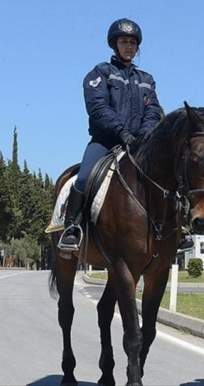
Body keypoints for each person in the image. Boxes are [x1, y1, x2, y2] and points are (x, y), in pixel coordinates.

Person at [57, 18, 162, 252]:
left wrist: (144, 135)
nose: (129, 47)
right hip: (106, 141)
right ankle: (72, 228)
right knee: (84, 178)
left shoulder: (146, 79)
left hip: (139, 144)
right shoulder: (100, 73)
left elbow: (153, 110)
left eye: (133, 43)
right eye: (124, 41)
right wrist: (122, 132)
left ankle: (173, 231)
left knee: (166, 177)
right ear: (114, 44)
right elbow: (97, 108)